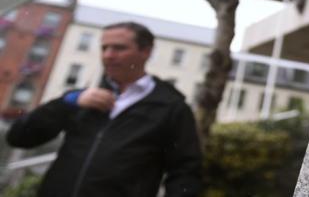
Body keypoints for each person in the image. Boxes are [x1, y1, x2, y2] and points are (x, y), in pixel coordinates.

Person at [6, 21, 202, 197]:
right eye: (104, 48)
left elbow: (185, 172)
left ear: (146, 51)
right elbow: (19, 137)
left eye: (119, 48)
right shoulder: (80, 98)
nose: (108, 55)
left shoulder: (171, 108)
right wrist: (67, 102)